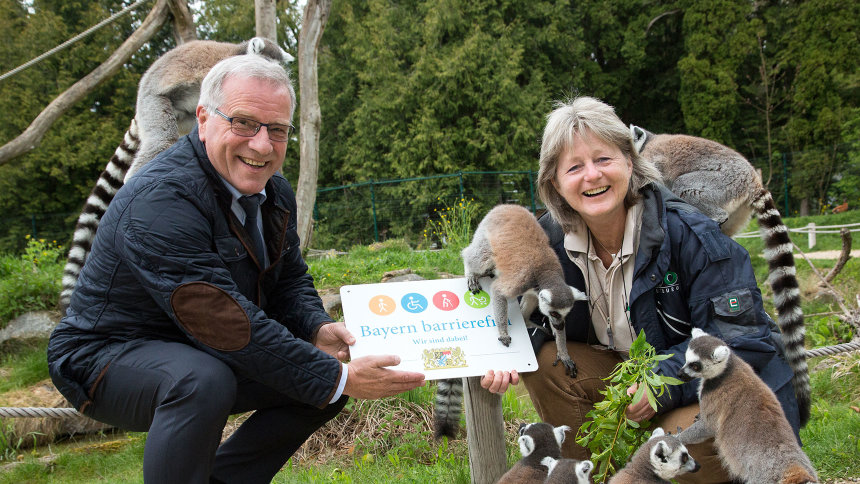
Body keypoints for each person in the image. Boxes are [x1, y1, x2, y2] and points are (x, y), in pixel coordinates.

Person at [47, 54, 425, 484]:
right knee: (208, 380)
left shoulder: (274, 191)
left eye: (277, 130)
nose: (262, 145)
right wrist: (337, 375)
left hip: (200, 347)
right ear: (204, 120)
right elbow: (221, 321)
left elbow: (290, 281)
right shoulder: (160, 199)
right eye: (243, 123)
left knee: (320, 384)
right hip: (103, 357)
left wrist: (317, 330)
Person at [483, 96, 801, 484]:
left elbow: (741, 341)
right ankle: (596, 475)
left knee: (696, 444)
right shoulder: (546, 240)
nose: (592, 176)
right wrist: (504, 350)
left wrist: (659, 383)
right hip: (619, 381)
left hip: (692, 391)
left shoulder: (693, 235)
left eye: (604, 160)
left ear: (630, 163)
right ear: (555, 182)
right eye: (575, 167)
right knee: (546, 362)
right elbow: (513, 303)